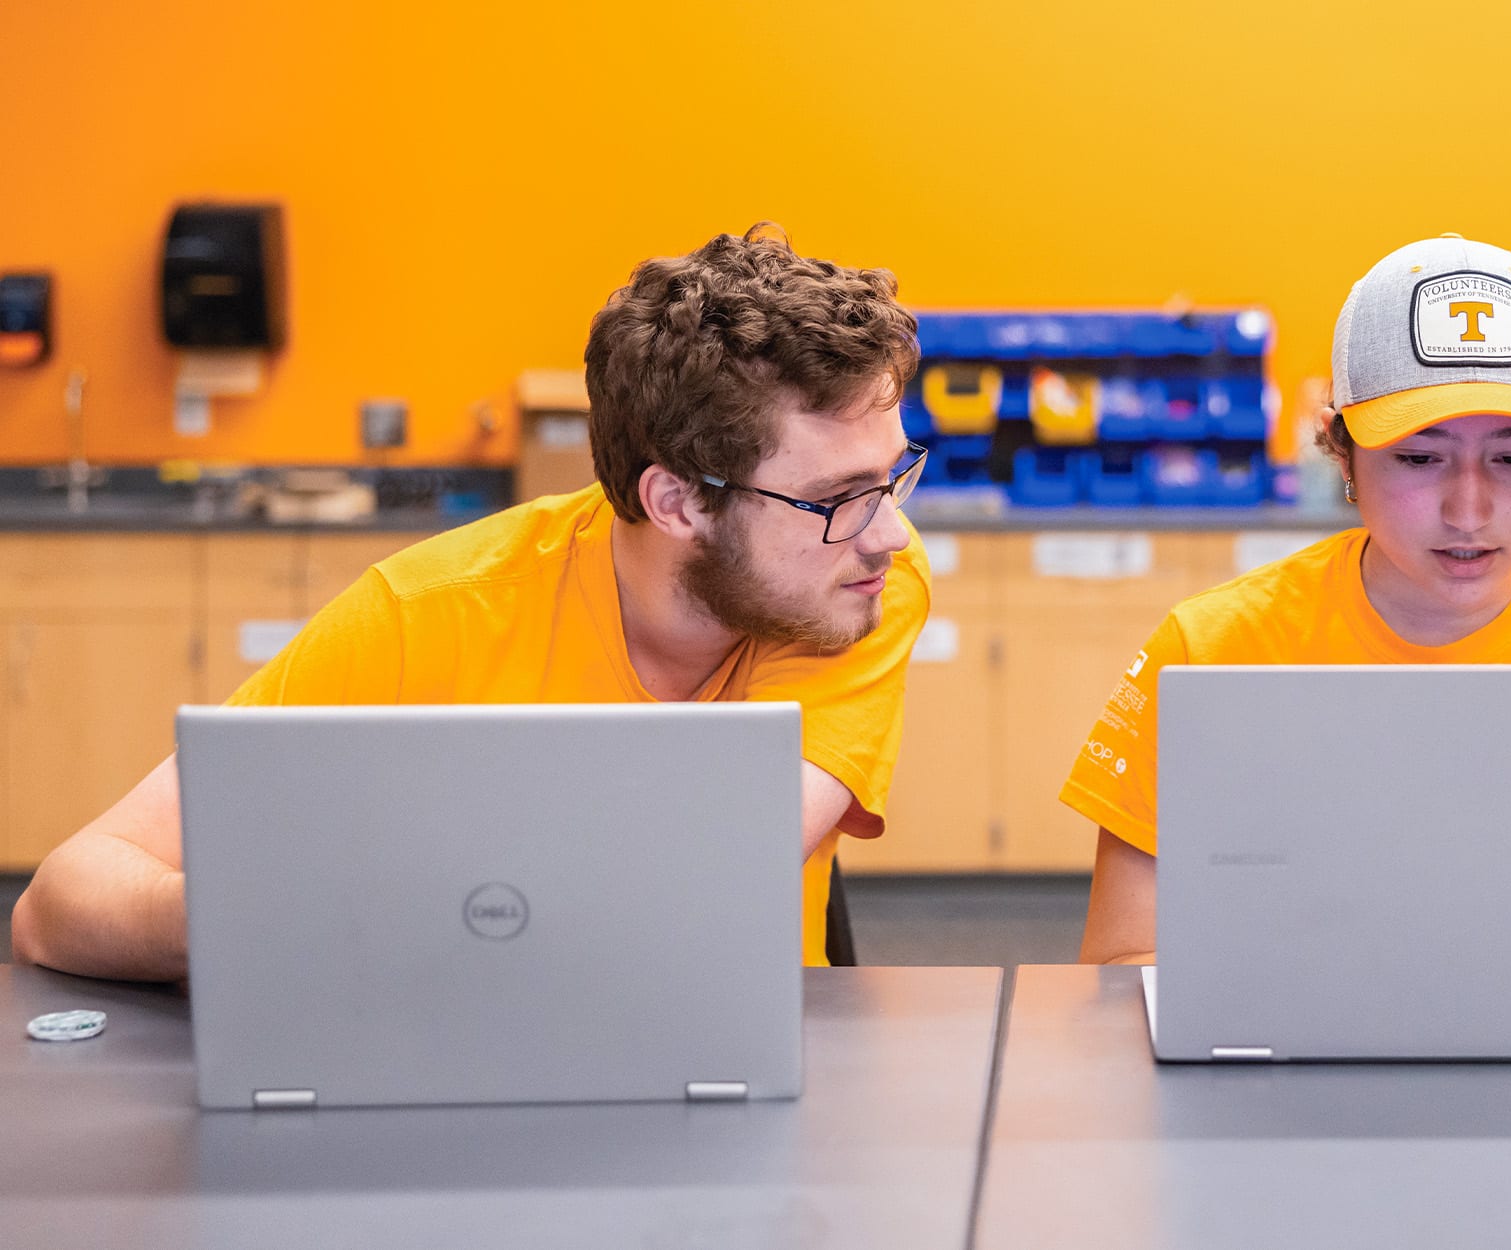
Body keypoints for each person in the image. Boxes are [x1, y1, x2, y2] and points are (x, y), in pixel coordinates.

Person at [12, 224, 931, 979]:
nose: (888, 530)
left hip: (732, 1073)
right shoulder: (432, 610)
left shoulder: (851, 587)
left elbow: (696, 876)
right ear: (678, 501)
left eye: (889, 480)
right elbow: (62, 902)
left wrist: (399, 899)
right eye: (840, 498)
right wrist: (261, 916)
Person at [1062, 233, 1511, 966]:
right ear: (1343, 454)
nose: (1469, 509)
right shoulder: (1210, 656)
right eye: (1419, 457)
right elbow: (1121, 968)